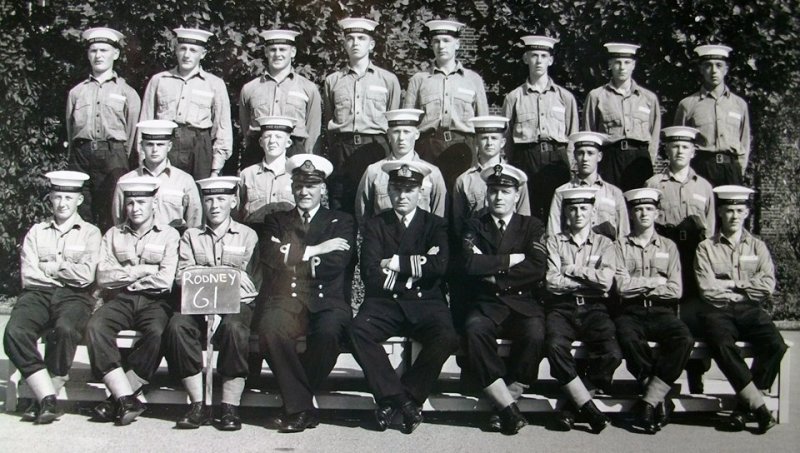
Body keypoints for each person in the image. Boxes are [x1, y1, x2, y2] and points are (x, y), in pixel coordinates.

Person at [349, 160, 460, 434]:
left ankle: (398, 399)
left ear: (420, 192)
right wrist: (419, 264)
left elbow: (441, 266)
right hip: (385, 304)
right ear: (389, 191)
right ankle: (402, 401)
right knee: (356, 330)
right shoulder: (376, 224)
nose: (402, 196)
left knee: (447, 336)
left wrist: (395, 263)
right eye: (397, 190)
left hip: (426, 303)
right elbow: (370, 273)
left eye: (409, 190)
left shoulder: (435, 225)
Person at [258, 154, 355, 433]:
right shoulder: (277, 220)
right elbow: (270, 255)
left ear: (322, 189)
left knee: (328, 334)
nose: (304, 191)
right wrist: (316, 250)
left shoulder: (341, 221)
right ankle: (302, 407)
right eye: (299, 185)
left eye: (311, 185)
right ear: (291, 186)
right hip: (287, 298)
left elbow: (337, 263)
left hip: (327, 300)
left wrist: (291, 256)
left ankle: (294, 405)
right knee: (271, 328)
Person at [164, 176, 261, 431]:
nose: (214, 205)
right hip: (197, 303)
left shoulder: (248, 236)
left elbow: (252, 286)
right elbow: (181, 276)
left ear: (233, 201)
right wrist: (230, 277)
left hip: (237, 304)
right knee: (177, 326)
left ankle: (230, 407)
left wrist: (213, 278)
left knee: (235, 329)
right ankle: (199, 404)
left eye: (220, 199)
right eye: (209, 200)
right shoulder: (191, 237)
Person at [4, 171, 101, 424]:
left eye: (68, 197)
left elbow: (86, 276)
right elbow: (30, 275)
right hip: (37, 294)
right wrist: (64, 274)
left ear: (79, 200)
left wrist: (52, 269)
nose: (62, 203)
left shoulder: (90, 233)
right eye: (57, 197)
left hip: (74, 297)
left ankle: (52, 385)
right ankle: (47, 396)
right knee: (15, 332)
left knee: (66, 329)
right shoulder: (37, 232)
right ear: (51, 199)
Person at [86, 176, 180, 425]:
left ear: (154, 204)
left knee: (158, 331)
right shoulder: (113, 234)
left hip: (155, 301)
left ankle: (118, 397)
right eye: (130, 203)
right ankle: (127, 396)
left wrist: (126, 276)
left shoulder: (169, 235)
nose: (135, 208)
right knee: (96, 326)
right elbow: (104, 277)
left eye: (141, 202)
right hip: (122, 299)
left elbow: (165, 279)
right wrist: (140, 272)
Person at [461, 164, 547, 435]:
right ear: (487, 194)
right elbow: (467, 264)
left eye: (505, 191)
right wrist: (511, 261)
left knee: (534, 333)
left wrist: (495, 275)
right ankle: (509, 407)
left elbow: (537, 265)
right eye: (494, 191)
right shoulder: (475, 225)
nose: (499, 197)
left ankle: (508, 397)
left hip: (521, 302)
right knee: (474, 330)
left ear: (516, 195)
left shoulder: (531, 226)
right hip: (487, 304)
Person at [695, 185, 787, 433]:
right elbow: (707, 289)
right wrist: (746, 287)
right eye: (729, 210)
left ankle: (743, 408)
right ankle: (758, 407)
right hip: (718, 310)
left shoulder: (757, 247)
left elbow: (767, 285)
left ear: (746, 213)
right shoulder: (706, 248)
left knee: (776, 344)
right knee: (723, 346)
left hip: (749, 310)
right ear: (721, 213)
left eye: (739, 210)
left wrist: (733, 284)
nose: (734, 216)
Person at [614, 188, 692, 433]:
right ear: (631, 213)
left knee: (684, 339)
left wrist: (640, 284)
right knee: (627, 337)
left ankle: (648, 401)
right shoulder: (620, 246)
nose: (643, 214)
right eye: (638, 209)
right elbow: (621, 288)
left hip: (662, 312)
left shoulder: (669, 246)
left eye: (648, 209)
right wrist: (655, 282)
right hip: (631, 311)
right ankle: (660, 399)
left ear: (657, 213)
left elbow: (675, 289)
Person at [544, 187, 621, 433]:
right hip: (562, 308)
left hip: (594, 309)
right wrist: (590, 279)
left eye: (583, 209)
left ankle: (572, 406)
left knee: (611, 353)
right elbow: (551, 282)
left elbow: (606, 282)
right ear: (566, 212)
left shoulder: (605, 243)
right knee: (554, 346)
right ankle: (587, 407)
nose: (578, 214)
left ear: (592, 212)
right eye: (573, 209)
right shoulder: (554, 241)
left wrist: (574, 269)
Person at [645, 126, 715, 394]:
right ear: (667, 150)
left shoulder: (704, 187)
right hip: (664, 251)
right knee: (663, 311)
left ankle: (696, 374)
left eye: (685, 146)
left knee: (692, 313)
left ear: (693, 151)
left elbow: (709, 228)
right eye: (674, 146)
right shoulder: (654, 184)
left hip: (692, 253)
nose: (679, 151)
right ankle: (660, 375)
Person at [324, 17, 401, 215]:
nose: (355, 43)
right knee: (340, 204)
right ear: (344, 44)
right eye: (350, 38)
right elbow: (328, 119)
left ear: (371, 44)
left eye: (361, 38)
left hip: (375, 147)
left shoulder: (388, 80)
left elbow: (393, 122)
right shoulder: (333, 81)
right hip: (343, 148)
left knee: (379, 202)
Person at [66, 27, 141, 230]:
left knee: (114, 210)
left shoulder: (127, 92)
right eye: (93, 51)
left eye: (104, 50)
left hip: (114, 155)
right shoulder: (76, 92)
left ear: (115, 54)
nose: (98, 55)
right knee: (82, 208)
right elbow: (70, 128)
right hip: (81, 155)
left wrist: (120, 155)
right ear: (88, 55)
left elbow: (133, 133)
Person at [404, 19, 489, 191]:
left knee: (462, 197)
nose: (441, 46)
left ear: (457, 44)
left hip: (464, 146)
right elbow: (408, 122)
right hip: (428, 146)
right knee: (428, 194)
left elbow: (483, 123)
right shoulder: (419, 80)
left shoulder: (473, 80)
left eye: (446, 41)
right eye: (436, 41)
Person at [502, 35, 578, 222]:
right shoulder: (514, 97)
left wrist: (570, 167)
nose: (538, 61)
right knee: (528, 213)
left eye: (544, 56)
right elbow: (506, 138)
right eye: (534, 55)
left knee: (558, 213)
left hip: (557, 160)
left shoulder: (565, 98)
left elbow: (573, 137)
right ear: (526, 58)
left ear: (550, 60)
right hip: (525, 158)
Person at [139, 27, 232, 180]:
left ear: (203, 54)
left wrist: (216, 167)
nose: (187, 55)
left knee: (198, 195)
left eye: (193, 50)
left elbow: (223, 128)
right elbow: (145, 121)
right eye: (183, 49)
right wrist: (142, 157)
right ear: (176, 50)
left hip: (199, 146)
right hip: (166, 143)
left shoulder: (214, 84)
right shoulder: (159, 80)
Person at [239, 29, 321, 169]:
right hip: (258, 150)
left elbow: (313, 130)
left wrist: (308, 159)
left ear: (293, 52)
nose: (277, 54)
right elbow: (245, 126)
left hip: (294, 150)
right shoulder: (250, 88)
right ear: (266, 52)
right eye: (272, 50)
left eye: (282, 49)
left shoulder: (308, 88)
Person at [584, 43, 661, 191]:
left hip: (639, 159)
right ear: (610, 65)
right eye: (617, 62)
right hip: (610, 158)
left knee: (638, 205)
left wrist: (649, 161)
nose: (622, 67)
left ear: (633, 65)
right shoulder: (597, 96)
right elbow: (590, 134)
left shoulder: (648, 98)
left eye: (627, 62)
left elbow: (654, 135)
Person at [355, 109, 446, 229]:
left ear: (417, 134)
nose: (401, 138)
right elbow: (362, 213)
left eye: (407, 132)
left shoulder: (432, 173)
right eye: (396, 132)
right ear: (388, 135)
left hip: (421, 240)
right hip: (384, 240)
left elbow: (438, 214)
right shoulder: (374, 171)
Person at [674, 44, 750, 187]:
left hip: (731, 169)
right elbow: (679, 142)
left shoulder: (739, 104)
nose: (714, 71)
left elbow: (744, 141)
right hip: (701, 167)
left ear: (726, 69)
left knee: (730, 208)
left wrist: (739, 169)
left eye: (719, 65)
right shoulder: (688, 104)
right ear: (701, 69)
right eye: (708, 65)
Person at [112, 120, 202, 231]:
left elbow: (194, 223)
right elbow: (119, 223)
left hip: (174, 244)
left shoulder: (185, 180)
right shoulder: (126, 181)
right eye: (150, 144)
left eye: (160, 144)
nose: (155, 150)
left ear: (169, 146)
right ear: (142, 146)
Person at [451, 116, 531, 238]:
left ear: (503, 142)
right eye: (484, 138)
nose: (489, 143)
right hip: (476, 244)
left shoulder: (517, 178)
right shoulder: (464, 180)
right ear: (476, 142)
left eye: (494, 138)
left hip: (509, 242)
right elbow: (458, 223)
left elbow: (524, 219)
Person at [548, 131, 629, 240]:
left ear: (599, 156)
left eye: (590, 153)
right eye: (581, 153)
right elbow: (553, 233)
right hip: (572, 253)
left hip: (607, 252)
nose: (585, 158)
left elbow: (623, 234)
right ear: (575, 156)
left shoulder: (614, 193)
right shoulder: (562, 192)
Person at [237, 116, 296, 227]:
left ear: (288, 142)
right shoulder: (247, 175)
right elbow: (237, 213)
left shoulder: (296, 174)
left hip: (287, 237)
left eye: (278, 137)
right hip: (255, 236)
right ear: (260, 142)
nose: (272, 141)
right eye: (267, 136)